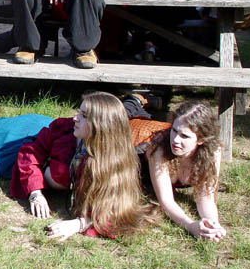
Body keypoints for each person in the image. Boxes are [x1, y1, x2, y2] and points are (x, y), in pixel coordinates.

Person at [9, 91, 156, 241]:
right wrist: (35, 192)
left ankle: (137, 99)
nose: (75, 118)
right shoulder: (65, 129)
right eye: (79, 112)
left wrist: (79, 224)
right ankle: (135, 99)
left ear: (101, 125)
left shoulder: (114, 162)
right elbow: (32, 151)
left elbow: (118, 211)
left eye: (84, 115)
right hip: (25, 146)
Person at [140, 101, 226, 241]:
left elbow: (205, 197)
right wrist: (190, 225)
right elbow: (166, 200)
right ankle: (136, 99)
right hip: (139, 146)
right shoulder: (159, 149)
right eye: (174, 131)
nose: (175, 140)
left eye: (185, 136)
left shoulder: (213, 152)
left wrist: (212, 224)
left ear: (201, 140)